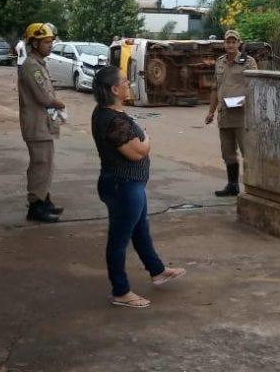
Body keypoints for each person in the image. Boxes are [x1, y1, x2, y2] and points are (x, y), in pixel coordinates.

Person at [91, 65, 186, 308]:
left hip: (127, 185)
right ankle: (121, 291)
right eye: (124, 82)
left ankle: (157, 271)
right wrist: (146, 139)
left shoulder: (109, 113)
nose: (128, 85)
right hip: (122, 186)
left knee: (140, 230)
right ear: (114, 89)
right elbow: (137, 153)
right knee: (119, 240)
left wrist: (140, 139)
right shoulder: (111, 119)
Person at [18, 22, 66, 222]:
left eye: (51, 42)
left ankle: (44, 199)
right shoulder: (31, 66)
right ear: (34, 43)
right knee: (40, 164)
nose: (50, 45)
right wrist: (59, 103)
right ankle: (36, 206)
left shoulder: (38, 64)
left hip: (43, 124)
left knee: (46, 165)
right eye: (46, 42)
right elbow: (44, 97)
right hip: (36, 125)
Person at [205, 30, 258, 196]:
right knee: (227, 152)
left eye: (234, 42)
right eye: (228, 42)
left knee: (248, 153)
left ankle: (253, 188)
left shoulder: (248, 62)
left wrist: (246, 100)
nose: (230, 45)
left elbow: (256, 86)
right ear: (224, 44)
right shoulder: (220, 62)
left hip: (242, 116)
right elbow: (215, 88)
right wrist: (211, 112)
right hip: (225, 114)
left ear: (239, 43)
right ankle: (232, 185)